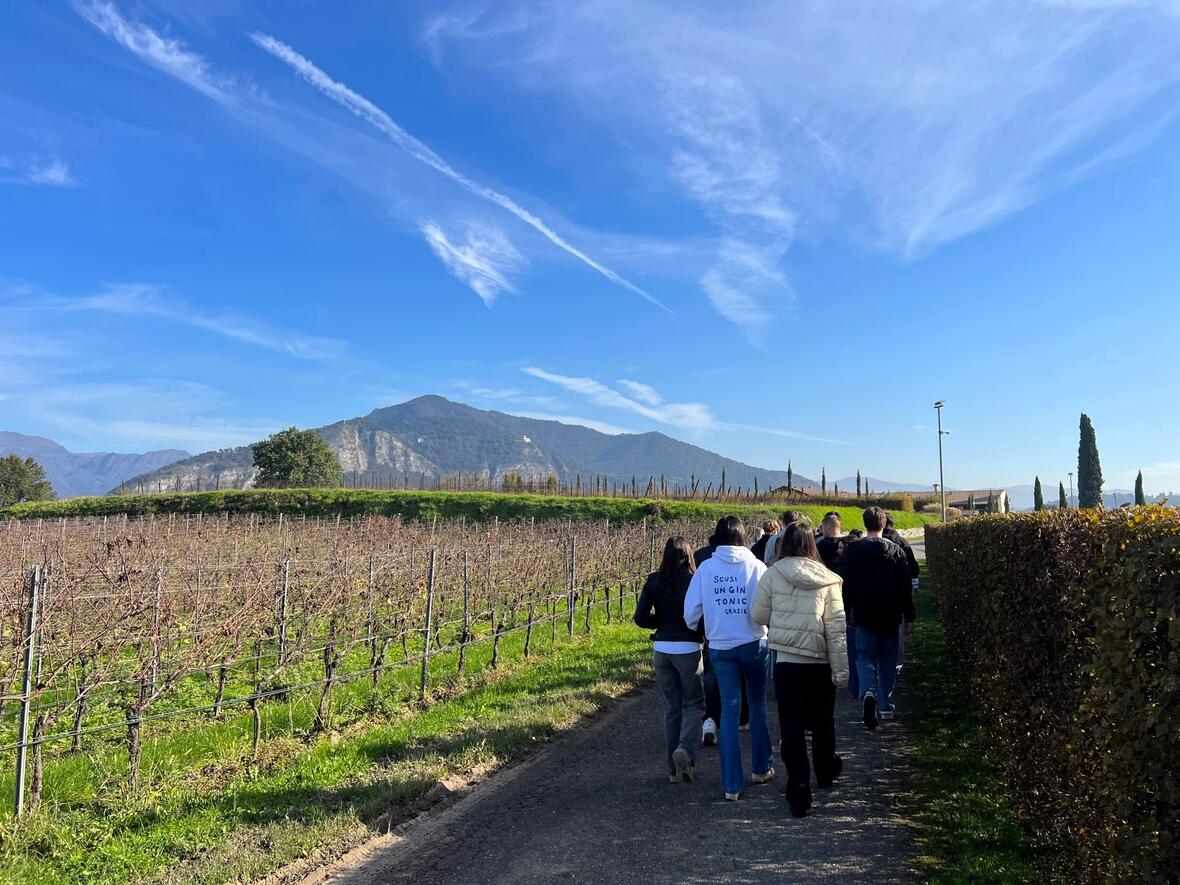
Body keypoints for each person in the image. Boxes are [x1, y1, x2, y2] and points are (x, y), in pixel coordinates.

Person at [752, 523, 848, 817]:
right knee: (823, 722)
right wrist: (841, 671)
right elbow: (836, 629)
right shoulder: (829, 579)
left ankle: (799, 789)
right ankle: (825, 770)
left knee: (791, 728)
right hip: (820, 663)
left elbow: (758, 613)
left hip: (787, 663)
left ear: (784, 544)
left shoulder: (773, 574)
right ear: (811, 544)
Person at [684, 516, 773, 800]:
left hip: (721, 646)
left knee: (729, 712)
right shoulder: (756, 566)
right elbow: (768, 607)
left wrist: (708, 623)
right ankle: (761, 768)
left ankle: (732, 785)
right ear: (743, 537)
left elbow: (690, 614)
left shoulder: (706, 569)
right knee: (757, 704)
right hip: (754, 642)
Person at [634, 537, 705, 783]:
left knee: (672, 708)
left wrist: (661, 623)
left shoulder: (654, 580)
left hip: (662, 648)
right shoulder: (694, 580)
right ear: (688, 555)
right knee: (694, 705)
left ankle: (673, 772)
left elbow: (640, 617)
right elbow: (702, 616)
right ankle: (685, 749)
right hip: (688, 648)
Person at [839, 507, 915, 728]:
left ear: (865, 524)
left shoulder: (854, 551)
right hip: (890, 614)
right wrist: (909, 615)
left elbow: (847, 586)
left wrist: (846, 611)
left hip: (864, 613)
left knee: (864, 657)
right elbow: (905, 587)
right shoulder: (896, 551)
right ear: (884, 524)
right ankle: (885, 705)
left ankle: (867, 691)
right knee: (888, 660)